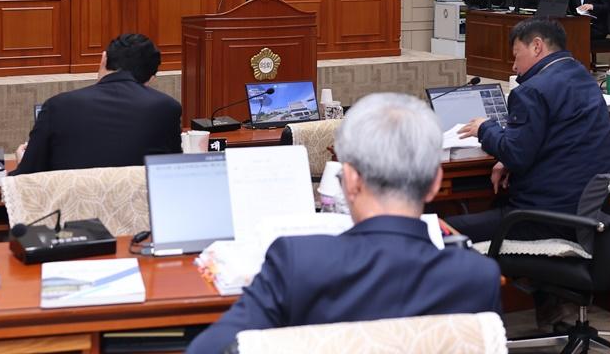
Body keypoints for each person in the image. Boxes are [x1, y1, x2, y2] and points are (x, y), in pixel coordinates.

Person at [186, 93, 502, 354]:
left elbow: (208, 350)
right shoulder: (477, 275)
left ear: (349, 181)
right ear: (435, 182)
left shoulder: (298, 261)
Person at [449, 18, 610, 242]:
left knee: (442, 228)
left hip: (543, 218)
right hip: (585, 212)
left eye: (516, 55)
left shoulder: (532, 90)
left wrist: (484, 128)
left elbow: (517, 155)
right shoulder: (583, 77)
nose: (514, 66)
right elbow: (558, 136)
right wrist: (508, 156)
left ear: (537, 46)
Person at [12, 33, 180, 175]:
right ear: (150, 78)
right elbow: (171, 173)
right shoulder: (167, 108)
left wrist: (22, 162)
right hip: (139, 212)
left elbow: (28, 176)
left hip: (74, 212)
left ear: (103, 58)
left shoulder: (57, 106)